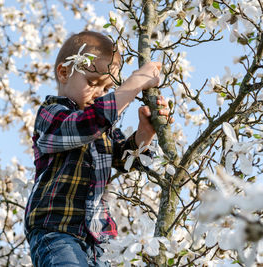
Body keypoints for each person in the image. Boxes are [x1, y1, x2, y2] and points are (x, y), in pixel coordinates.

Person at [24, 31, 172, 266]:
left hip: (99, 240)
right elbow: (85, 125)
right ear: (64, 73)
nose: (98, 94)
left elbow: (125, 159)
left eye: (106, 89)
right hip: (56, 230)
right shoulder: (51, 114)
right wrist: (134, 84)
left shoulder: (104, 128)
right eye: (92, 83)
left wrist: (145, 132)